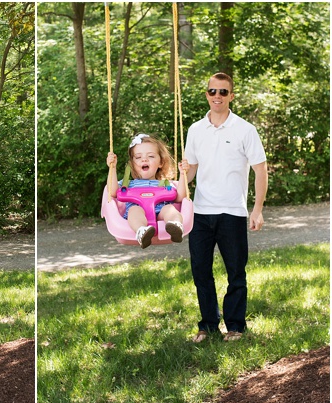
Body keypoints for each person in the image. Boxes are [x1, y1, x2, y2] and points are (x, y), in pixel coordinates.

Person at [184, 72, 268, 343]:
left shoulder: (245, 129)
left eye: (222, 92)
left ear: (231, 96)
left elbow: (261, 170)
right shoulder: (195, 130)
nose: (217, 96)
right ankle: (208, 325)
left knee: (235, 272)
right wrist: (178, 182)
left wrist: (257, 209)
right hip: (200, 212)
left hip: (232, 212)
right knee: (201, 272)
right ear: (206, 94)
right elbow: (191, 171)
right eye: (212, 91)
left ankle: (235, 326)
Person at [106, 133, 190, 248]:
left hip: (160, 213)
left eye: (150, 156)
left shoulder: (165, 183)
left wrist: (182, 174)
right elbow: (112, 192)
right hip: (138, 214)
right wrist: (112, 168)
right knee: (134, 210)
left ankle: (175, 226)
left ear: (161, 162)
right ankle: (142, 231)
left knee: (169, 209)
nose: (144, 159)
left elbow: (180, 197)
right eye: (138, 157)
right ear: (132, 164)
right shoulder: (128, 184)